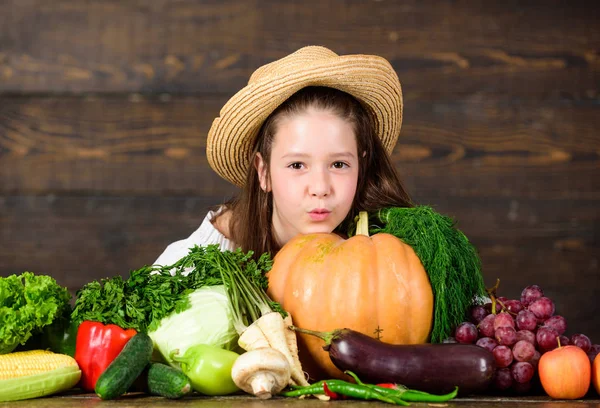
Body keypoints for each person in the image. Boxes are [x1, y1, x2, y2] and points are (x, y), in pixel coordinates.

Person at [154, 45, 413, 267]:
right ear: (263, 172)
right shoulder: (199, 262)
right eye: (297, 164)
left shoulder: (389, 250)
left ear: (362, 165)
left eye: (338, 164)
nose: (320, 188)